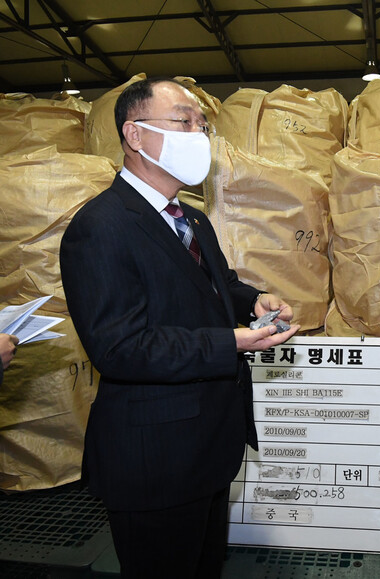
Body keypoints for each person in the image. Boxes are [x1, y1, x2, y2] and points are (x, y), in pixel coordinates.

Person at [60, 78, 300, 579]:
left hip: (208, 446)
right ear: (136, 134)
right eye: (184, 122)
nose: (200, 135)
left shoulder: (192, 219)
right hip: (155, 459)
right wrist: (230, 341)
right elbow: (119, 347)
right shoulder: (100, 227)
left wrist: (254, 301)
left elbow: (218, 284)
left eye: (202, 124)